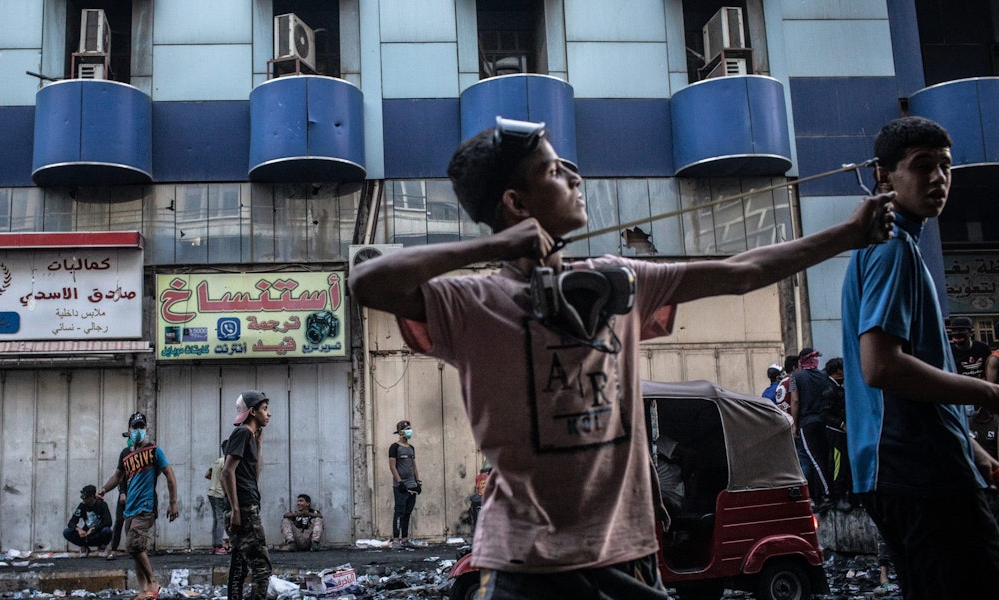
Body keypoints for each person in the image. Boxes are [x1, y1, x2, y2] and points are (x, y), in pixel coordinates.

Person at [349, 116, 893, 598]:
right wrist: (494, 247)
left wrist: (849, 232)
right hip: (520, 564)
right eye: (556, 171)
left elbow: (742, 272)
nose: (575, 176)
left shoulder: (619, 282)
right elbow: (367, 281)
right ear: (516, 204)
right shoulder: (471, 301)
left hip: (628, 557)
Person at [841, 116, 999, 598]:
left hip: (907, 467)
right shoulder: (893, 248)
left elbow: (921, 384)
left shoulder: (891, 245)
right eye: (922, 166)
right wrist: (990, 391)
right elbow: (882, 366)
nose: (938, 179)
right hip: (918, 469)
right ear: (884, 175)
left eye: (946, 167)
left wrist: (977, 456)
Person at [98, 412, 179, 600]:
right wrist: (103, 489)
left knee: (134, 544)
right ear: (129, 430)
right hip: (130, 509)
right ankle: (143, 590)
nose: (138, 430)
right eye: (135, 427)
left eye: (141, 427)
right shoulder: (125, 454)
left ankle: (153, 582)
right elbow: (117, 477)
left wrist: (173, 502)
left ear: (146, 429)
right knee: (135, 550)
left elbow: (170, 474)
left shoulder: (154, 451)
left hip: (146, 505)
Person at [221, 391, 273, 600]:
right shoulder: (242, 433)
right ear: (252, 411)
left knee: (240, 565)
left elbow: (254, 474)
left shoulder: (249, 437)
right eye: (264, 409)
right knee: (262, 569)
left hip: (245, 506)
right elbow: (227, 471)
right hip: (243, 509)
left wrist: (258, 444)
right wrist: (235, 510)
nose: (268, 414)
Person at [789, 347, 834, 511]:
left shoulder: (795, 376)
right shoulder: (824, 376)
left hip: (807, 423)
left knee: (814, 459)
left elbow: (795, 401)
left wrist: (794, 424)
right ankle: (822, 494)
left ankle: (828, 494)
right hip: (824, 422)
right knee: (824, 457)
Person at [819, 358, 853, 509]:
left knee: (846, 464)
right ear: (838, 371)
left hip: (843, 433)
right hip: (836, 433)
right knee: (839, 465)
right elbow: (825, 414)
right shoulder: (829, 390)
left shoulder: (840, 388)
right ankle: (838, 497)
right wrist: (841, 424)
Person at [388, 419, 421, 549]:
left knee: (408, 512)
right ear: (401, 432)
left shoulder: (411, 448)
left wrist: (418, 482)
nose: (409, 431)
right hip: (401, 486)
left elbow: (414, 466)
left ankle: (405, 538)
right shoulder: (394, 447)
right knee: (399, 512)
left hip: (412, 485)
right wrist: (400, 482)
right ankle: (396, 539)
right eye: (407, 429)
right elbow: (392, 466)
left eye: (410, 429)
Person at [62, 485, 113, 557]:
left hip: (98, 535)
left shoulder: (102, 505)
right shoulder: (82, 506)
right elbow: (71, 522)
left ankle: (102, 547)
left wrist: (95, 529)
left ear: (92, 496)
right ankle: (84, 547)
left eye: (85, 497)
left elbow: (108, 522)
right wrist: (79, 529)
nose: (83, 499)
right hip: (86, 536)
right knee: (67, 532)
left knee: (107, 531)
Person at [205, 441, 229, 555]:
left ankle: (215, 545)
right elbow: (225, 477)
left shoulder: (217, 461)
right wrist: (226, 492)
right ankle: (219, 545)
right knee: (220, 519)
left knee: (216, 519)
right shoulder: (226, 462)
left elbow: (207, 474)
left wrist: (215, 482)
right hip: (219, 494)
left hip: (211, 492)